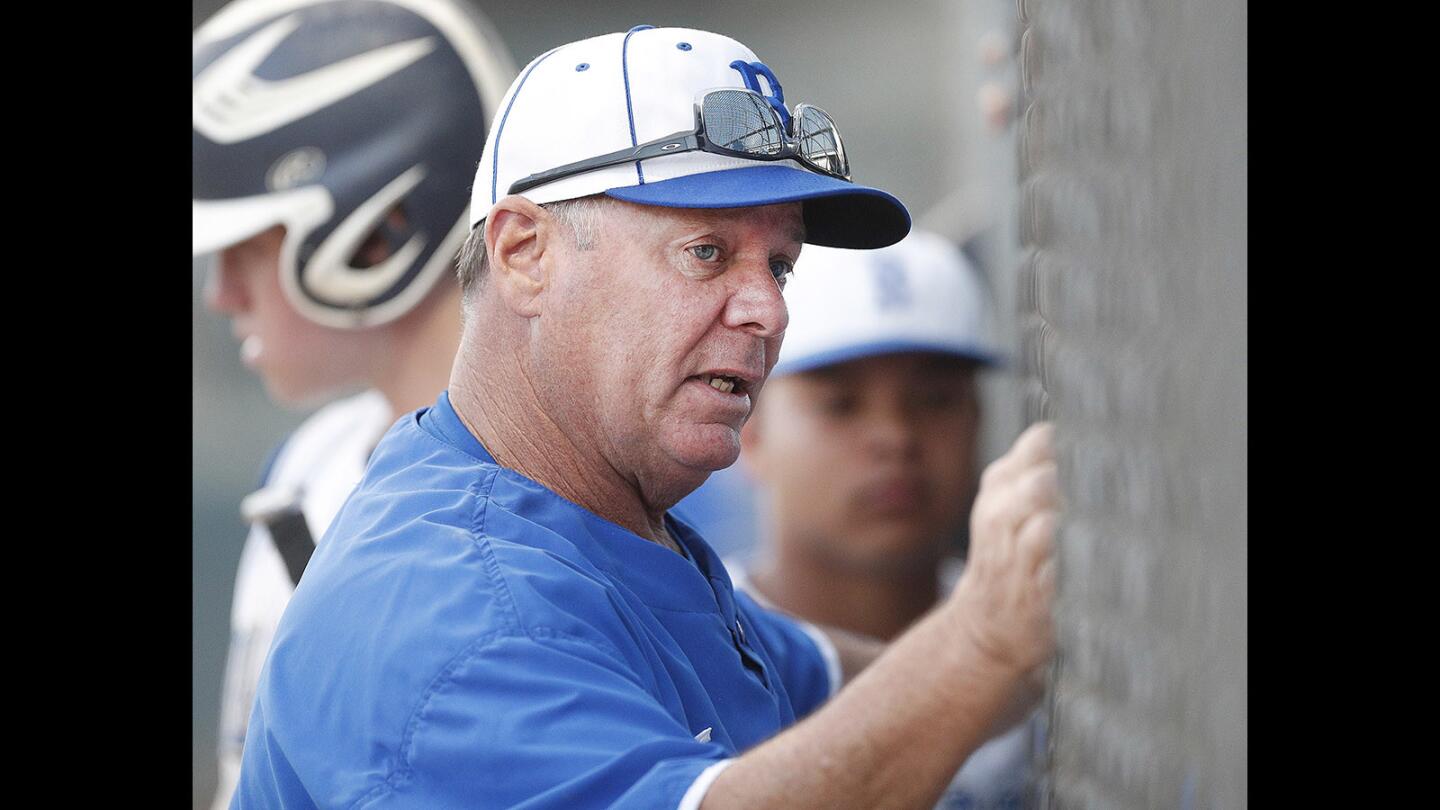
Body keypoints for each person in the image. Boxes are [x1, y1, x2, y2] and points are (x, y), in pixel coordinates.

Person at [234, 25, 1058, 809]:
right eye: (706, 252)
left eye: (779, 264)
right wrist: (980, 646)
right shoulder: (449, 614)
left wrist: (1019, 635)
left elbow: (824, 678)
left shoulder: (590, 517)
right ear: (525, 254)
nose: (768, 309)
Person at [191, 1, 515, 806]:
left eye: (245, 245)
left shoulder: (562, 487)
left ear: (383, 231)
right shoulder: (307, 470)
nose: (219, 294)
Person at [731, 230, 1036, 808]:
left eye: (934, 399)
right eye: (840, 404)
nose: (895, 438)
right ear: (751, 431)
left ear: (979, 418)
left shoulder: (1036, 627)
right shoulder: (690, 639)